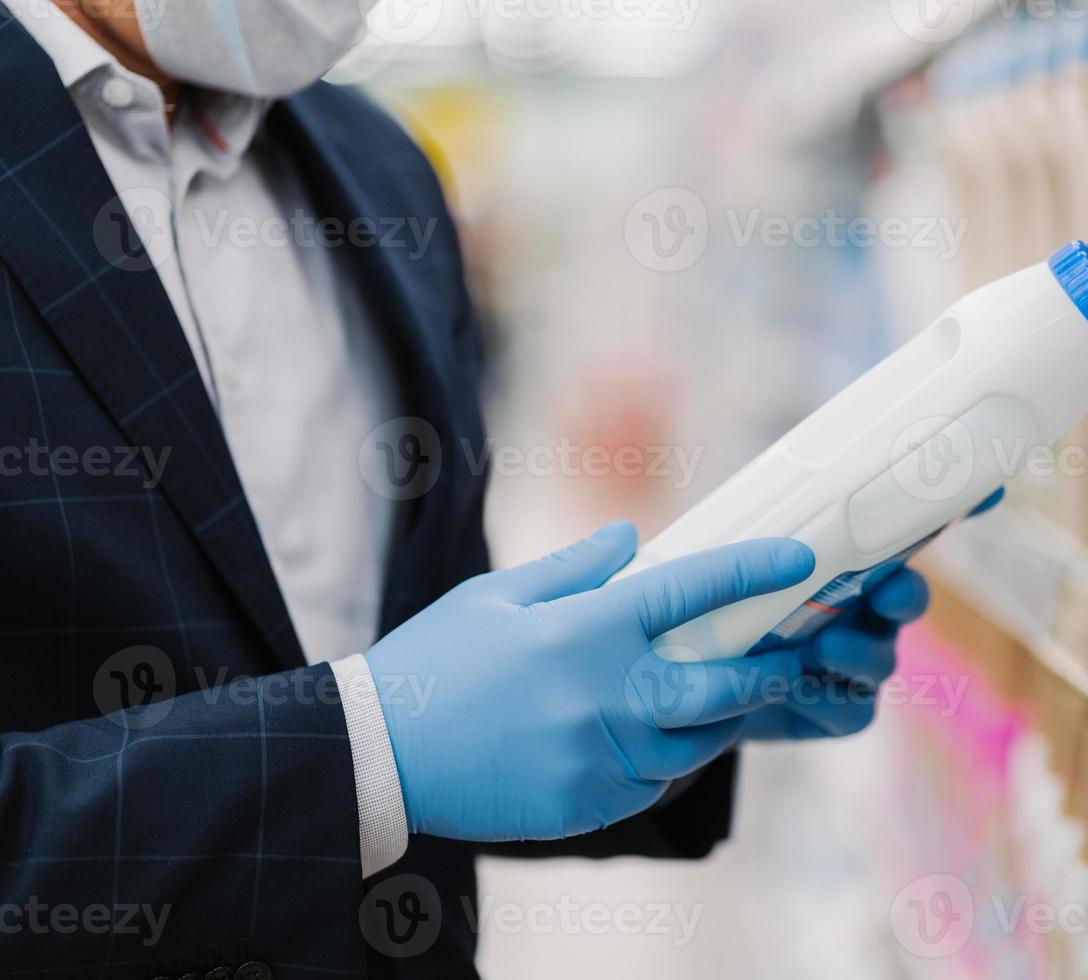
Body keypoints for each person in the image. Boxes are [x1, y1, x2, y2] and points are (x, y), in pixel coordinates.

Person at [0, 2, 934, 976]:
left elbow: (439, 724)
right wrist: (368, 750)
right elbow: (382, 748)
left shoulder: (379, 172)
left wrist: (668, 689)